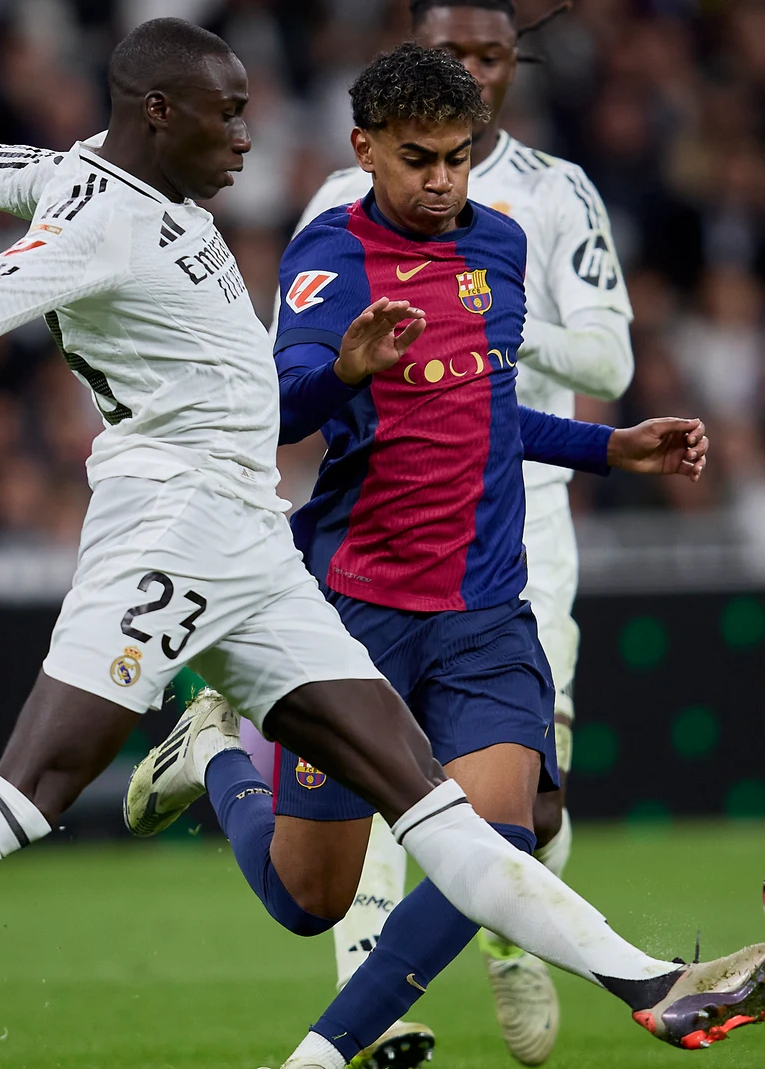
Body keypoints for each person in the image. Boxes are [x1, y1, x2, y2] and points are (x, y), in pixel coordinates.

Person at [0, 20, 765, 1069]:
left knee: (430, 804)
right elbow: (1, 281)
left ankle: (651, 985)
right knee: (28, 791)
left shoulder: (105, 173)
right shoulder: (104, 220)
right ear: (159, 114)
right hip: (168, 528)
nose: (249, 138)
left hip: (254, 542)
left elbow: (6, 163)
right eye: (227, 115)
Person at [275, 3, 634, 1062]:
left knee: (517, 819)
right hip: (371, 561)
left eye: (486, 58)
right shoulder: (335, 219)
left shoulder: (538, 209)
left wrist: (607, 441)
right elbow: (280, 390)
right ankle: (377, 1001)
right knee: (328, 871)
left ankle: (496, 945)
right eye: (453, 54)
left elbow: (595, 372)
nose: (442, 173)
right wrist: (352, 368)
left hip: (510, 535)